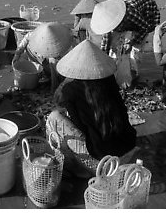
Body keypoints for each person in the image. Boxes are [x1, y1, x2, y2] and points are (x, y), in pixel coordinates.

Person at [45, 39, 137, 177]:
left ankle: (71, 165)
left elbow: (79, 125)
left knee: (54, 118)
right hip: (126, 146)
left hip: (100, 161)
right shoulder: (109, 79)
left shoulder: (70, 90)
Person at [90, 0, 160, 87]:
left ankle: (133, 74)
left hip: (146, 14)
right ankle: (116, 72)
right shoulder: (108, 20)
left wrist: (132, 43)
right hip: (126, 18)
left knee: (135, 50)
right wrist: (103, 58)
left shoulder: (130, 14)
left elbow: (144, 28)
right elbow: (106, 41)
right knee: (113, 50)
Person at [12, 22, 73, 92]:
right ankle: (41, 72)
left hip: (57, 62)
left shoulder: (63, 43)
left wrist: (54, 87)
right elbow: (25, 39)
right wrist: (17, 54)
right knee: (29, 48)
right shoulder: (35, 34)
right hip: (39, 57)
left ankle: (52, 83)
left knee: (53, 64)